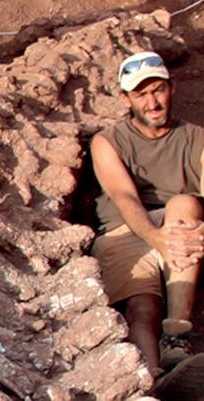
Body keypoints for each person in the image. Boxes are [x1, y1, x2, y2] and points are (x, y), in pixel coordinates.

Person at [91, 52, 204, 398]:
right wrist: (157, 239)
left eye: (158, 91)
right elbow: (125, 198)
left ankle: (177, 335)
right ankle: (152, 379)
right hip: (126, 229)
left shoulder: (195, 137)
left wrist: (195, 232)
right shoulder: (107, 140)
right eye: (141, 95)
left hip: (179, 225)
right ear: (126, 99)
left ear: (172, 88)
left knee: (184, 204)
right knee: (142, 305)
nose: (152, 102)